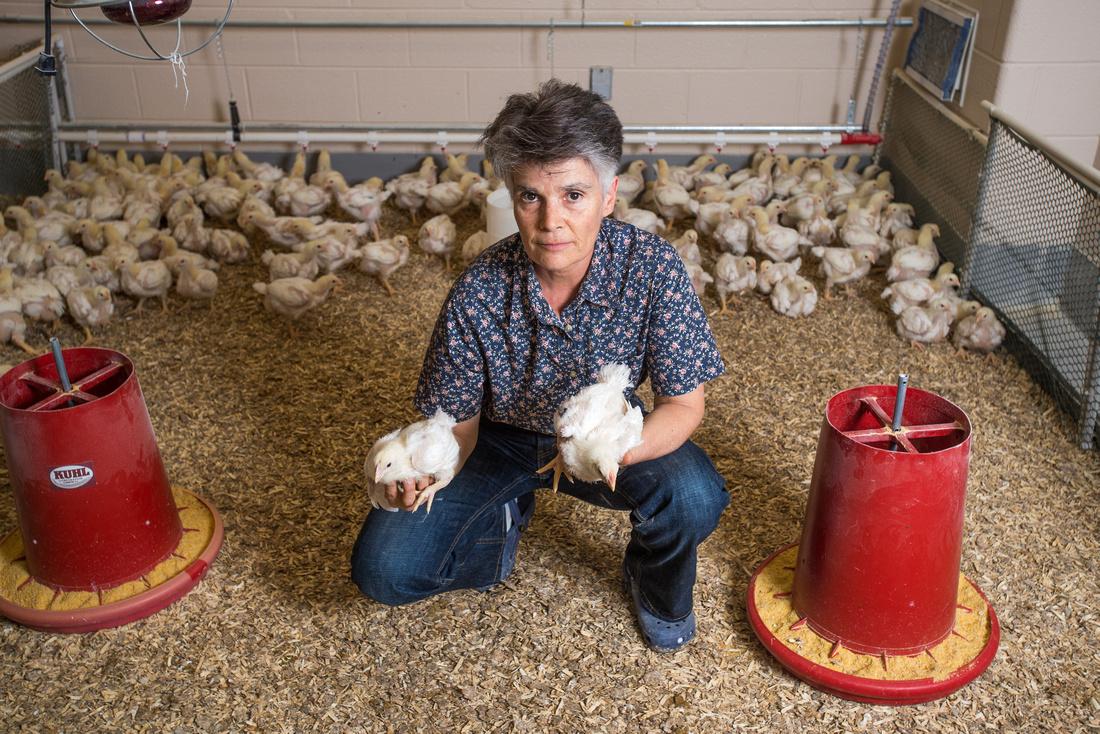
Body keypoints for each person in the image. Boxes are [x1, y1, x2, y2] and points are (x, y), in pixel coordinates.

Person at [351, 79, 728, 652]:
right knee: (384, 571)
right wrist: (430, 473)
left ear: (609, 195)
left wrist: (615, 452)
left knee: (695, 494)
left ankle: (652, 584)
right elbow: (455, 423)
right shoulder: (480, 287)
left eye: (574, 195)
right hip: (498, 439)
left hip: (606, 436)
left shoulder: (653, 269)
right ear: (511, 197)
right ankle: (498, 524)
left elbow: (684, 404)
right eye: (531, 196)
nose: (551, 219)